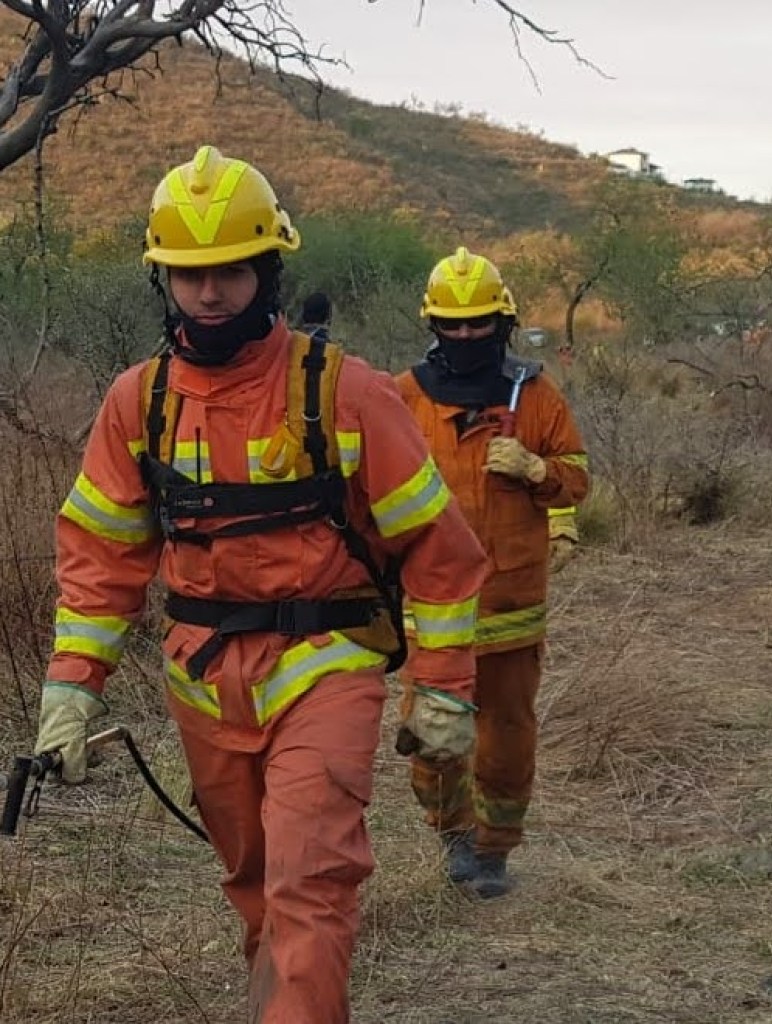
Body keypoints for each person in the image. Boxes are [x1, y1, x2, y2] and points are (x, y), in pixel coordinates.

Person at [32, 146, 489, 1023]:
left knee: (309, 880)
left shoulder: (346, 392)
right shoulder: (139, 402)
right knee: (254, 884)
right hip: (202, 682)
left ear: (268, 268)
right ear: (162, 281)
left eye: (231, 271)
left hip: (326, 665)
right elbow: (100, 560)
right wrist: (70, 690)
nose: (211, 294)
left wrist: (441, 688)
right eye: (191, 276)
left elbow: (439, 550)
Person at [394, 246, 589, 898]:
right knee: (431, 735)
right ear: (433, 324)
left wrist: (538, 471)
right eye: (453, 324)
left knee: (506, 738)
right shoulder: (404, 397)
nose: (466, 334)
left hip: (511, 605)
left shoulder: (534, 395)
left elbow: (578, 479)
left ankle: (494, 849)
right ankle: (451, 835)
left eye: (479, 322)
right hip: (432, 611)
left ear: (502, 321)